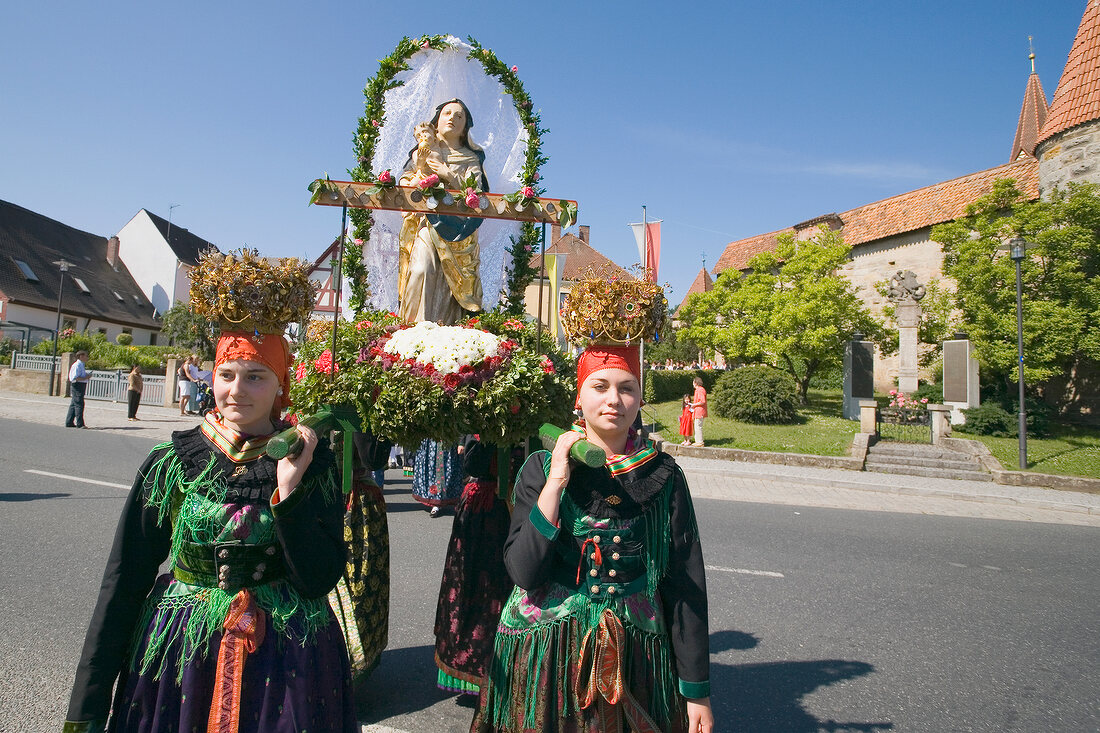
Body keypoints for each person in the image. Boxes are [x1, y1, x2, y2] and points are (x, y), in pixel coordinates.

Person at [63, 328, 356, 732]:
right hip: (182, 652)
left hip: (286, 657)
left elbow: (319, 578)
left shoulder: (312, 466)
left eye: (256, 376)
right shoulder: (171, 462)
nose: (237, 389)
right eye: (227, 374)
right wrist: (88, 703)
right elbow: (124, 578)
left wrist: (288, 492)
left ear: (281, 385)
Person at [471, 344, 714, 733]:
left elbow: (685, 584)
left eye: (627, 388)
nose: (613, 400)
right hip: (548, 653)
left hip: (638, 655)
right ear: (578, 396)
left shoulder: (664, 475)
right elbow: (524, 572)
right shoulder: (542, 468)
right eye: (599, 386)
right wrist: (557, 483)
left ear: (640, 399)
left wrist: (697, 690)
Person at [433, 436, 514, 698]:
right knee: (475, 585)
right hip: (484, 510)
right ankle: (475, 668)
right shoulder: (480, 426)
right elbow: (473, 465)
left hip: (515, 503)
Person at [398, 98, 487, 325]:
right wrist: (419, 170)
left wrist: (448, 174)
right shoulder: (424, 151)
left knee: (451, 284)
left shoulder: (471, 158)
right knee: (421, 269)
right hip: (428, 224)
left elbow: (477, 193)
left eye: (459, 116)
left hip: (458, 230)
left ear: (465, 126)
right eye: (447, 113)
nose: (452, 118)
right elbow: (406, 182)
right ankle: (411, 329)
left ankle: (445, 333)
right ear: (436, 121)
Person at [411, 438, 465, 517]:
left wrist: (461, 442)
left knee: (442, 467)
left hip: (446, 439)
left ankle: (439, 500)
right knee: (430, 468)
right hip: (430, 439)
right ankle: (435, 500)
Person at [65, 350, 91, 428]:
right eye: (86, 356)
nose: (87, 358)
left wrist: (85, 375)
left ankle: (69, 422)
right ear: (81, 356)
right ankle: (80, 424)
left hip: (80, 385)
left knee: (74, 404)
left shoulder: (81, 365)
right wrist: (86, 377)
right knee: (79, 404)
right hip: (77, 386)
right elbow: (74, 378)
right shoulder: (77, 365)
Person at [691, 376, 707, 447]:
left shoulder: (700, 390)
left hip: (700, 411)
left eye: (693, 382)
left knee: (698, 426)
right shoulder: (698, 390)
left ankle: (700, 442)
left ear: (696, 383)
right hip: (697, 411)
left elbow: (702, 401)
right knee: (696, 426)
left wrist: (694, 405)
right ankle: (697, 441)